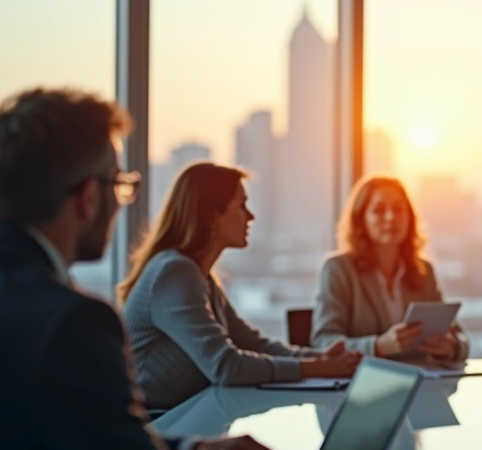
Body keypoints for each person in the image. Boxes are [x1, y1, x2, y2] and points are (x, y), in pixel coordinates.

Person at [0, 88, 284, 450]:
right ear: (87, 198)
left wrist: (189, 446)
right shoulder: (70, 320)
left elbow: (87, 436)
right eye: (119, 185)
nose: (121, 203)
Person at [119, 162, 362, 410]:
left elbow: (254, 344)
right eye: (241, 205)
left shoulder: (202, 277)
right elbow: (226, 366)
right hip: (156, 426)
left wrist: (321, 358)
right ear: (211, 216)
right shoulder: (173, 273)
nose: (251, 216)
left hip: (185, 417)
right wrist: (317, 367)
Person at [312, 175, 469, 361]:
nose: (390, 217)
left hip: (421, 382)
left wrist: (451, 347)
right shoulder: (338, 269)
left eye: (398, 209)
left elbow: (459, 336)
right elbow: (323, 342)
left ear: (409, 218)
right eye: (378, 210)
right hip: (362, 384)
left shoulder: (422, 270)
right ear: (361, 219)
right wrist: (377, 346)